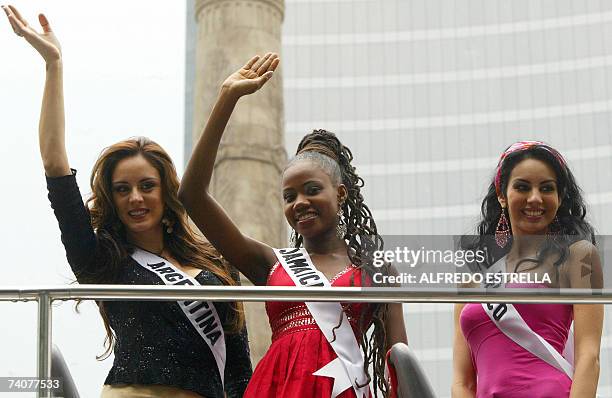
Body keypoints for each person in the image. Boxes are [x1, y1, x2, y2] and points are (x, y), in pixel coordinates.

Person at [2, 5, 252, 397]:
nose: (136, 197)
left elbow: (239, 371)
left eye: (147, 186)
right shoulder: (102, 258)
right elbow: (54, 165)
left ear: (166, 193)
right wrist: (54, 65)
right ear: (112, 198)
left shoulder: (217, 264)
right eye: (122, 189)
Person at [178, 53, 407, 397]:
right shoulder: (271, 264)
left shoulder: (377, 270)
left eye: (312, 190)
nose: (300, 202)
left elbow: (398, 361)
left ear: (340, 193)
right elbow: (192, 196)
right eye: (289, 196)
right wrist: (228, 97)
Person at [452, 141, 604, 398]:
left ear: (559, 197)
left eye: (546, 188)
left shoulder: (578, 256)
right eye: (522, 187)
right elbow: (462, 381)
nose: (535, 198)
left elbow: (589, 357)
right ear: (502, 195)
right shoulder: (474, 277)